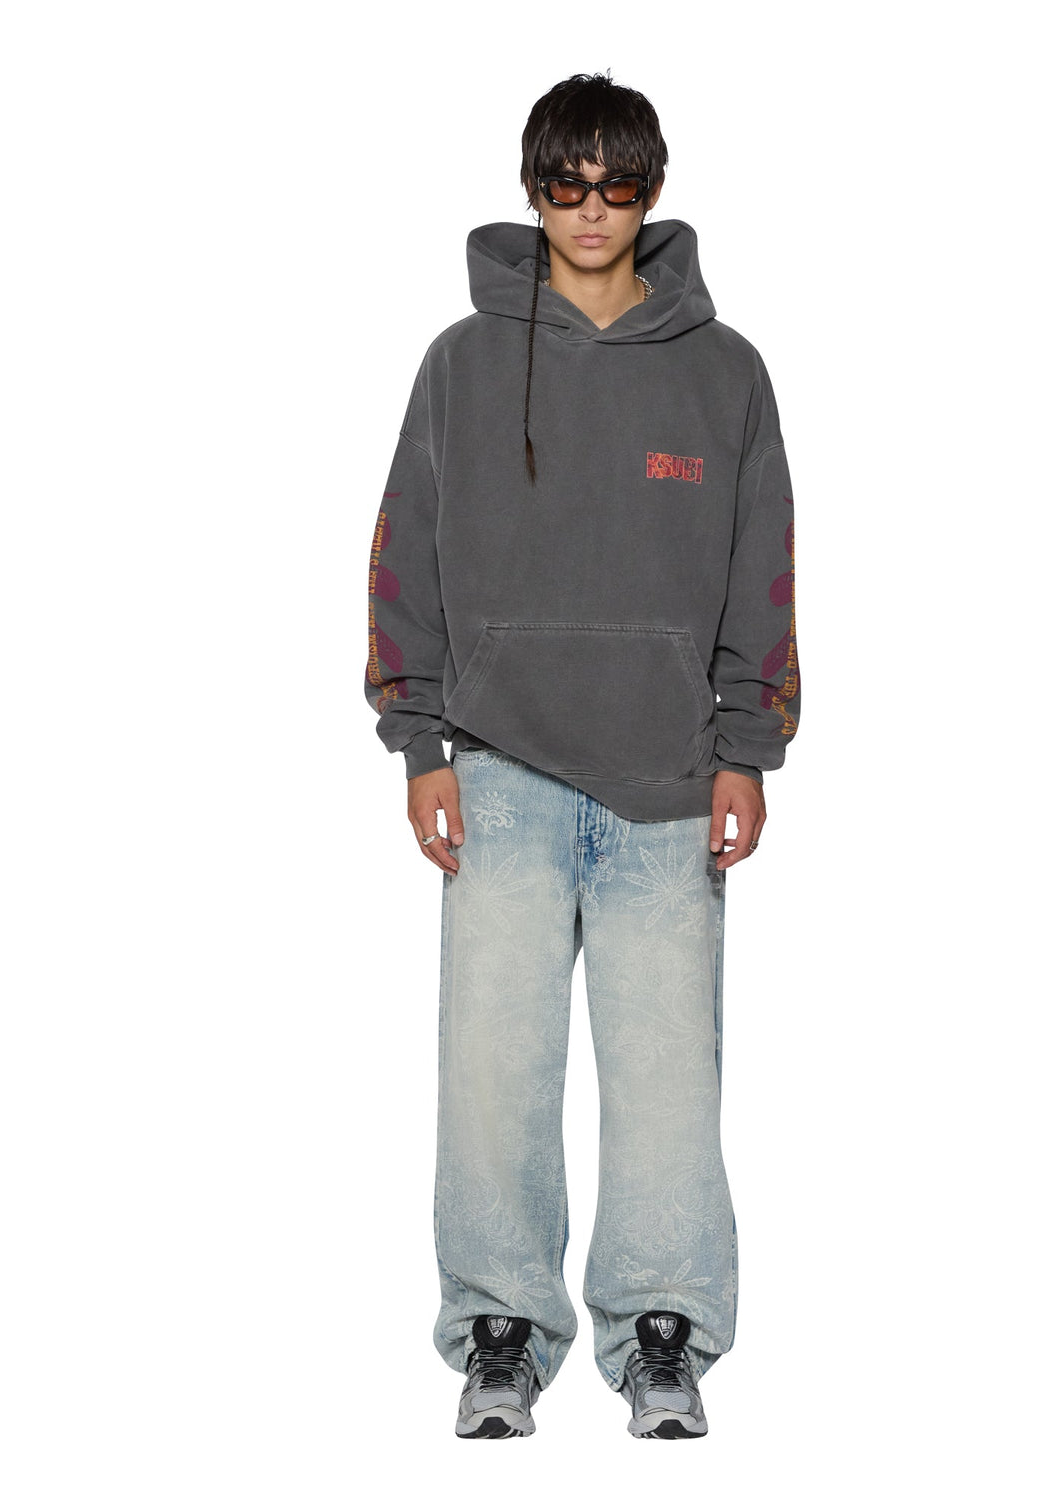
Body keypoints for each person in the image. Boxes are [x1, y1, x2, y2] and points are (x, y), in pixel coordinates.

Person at [363, 71, 800, 1440]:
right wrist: (418, 739)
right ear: (533, 188)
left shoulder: (725, 372)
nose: (592, 208)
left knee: (667, 1077)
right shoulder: (462, 362)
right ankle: (501, 1328)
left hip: (670, 773)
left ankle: (662, 1331)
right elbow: (403, 551)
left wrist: (748, 749)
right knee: (492, 1069)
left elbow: (764, 572)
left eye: (618, 184)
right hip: (497, 766)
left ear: (653, 192)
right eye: (567, 183)